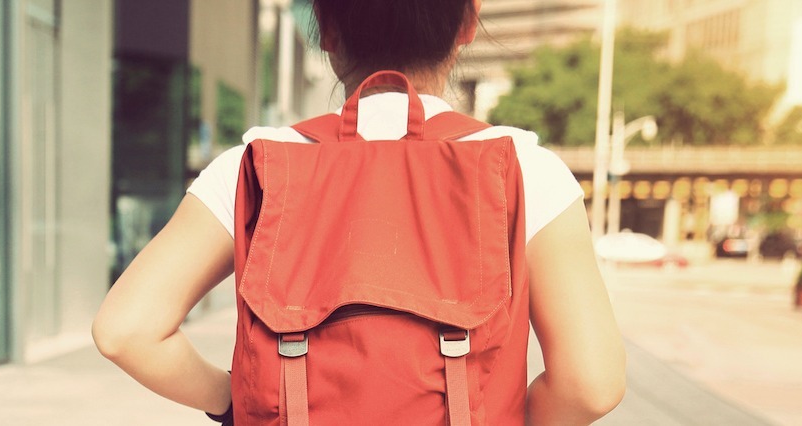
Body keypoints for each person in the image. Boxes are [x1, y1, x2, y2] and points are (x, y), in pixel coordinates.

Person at [91, 0, 627, 424]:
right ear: (468, 21)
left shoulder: (256, 165)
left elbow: (126, 329)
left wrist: (237, 404)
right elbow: (591, 384)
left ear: (325, 27)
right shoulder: (525, 169)